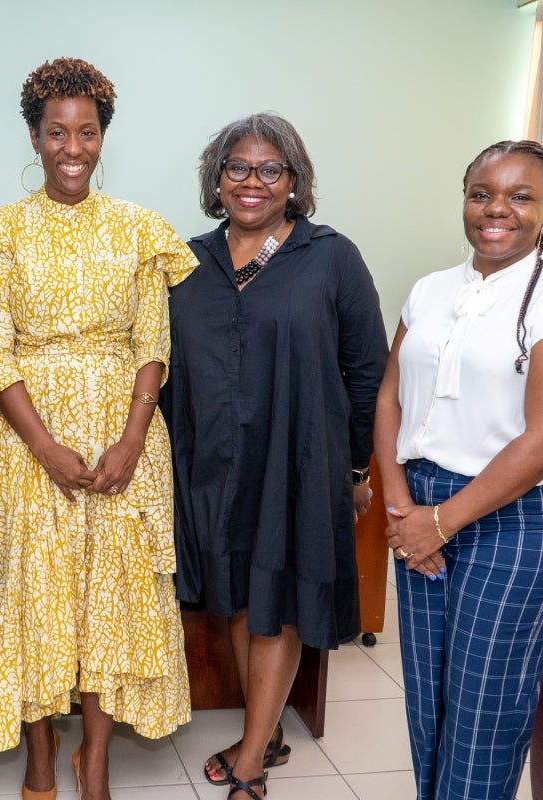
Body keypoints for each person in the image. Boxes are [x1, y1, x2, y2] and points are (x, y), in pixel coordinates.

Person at [0, 57, 195, 800]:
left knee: (107, 599)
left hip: (128, 438)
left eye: (86, 131)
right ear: (34, 135)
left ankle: (97, 761)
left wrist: (129, 440)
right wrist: (46, 445)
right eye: (57, 132)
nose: (72, 147)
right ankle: (38, 758)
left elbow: (153, 342)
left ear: (102, 137)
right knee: (34, 594)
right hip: (29, 444)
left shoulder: (141, 229)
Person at [162, 113, 388, 800]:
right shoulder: (187, 262)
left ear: (294, 181)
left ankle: (254, 759)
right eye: (237, 167)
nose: (252, 182)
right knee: (234, 601)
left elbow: (368, 370)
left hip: (298, 463)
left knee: (278, 604)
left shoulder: (331, 256)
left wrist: (354, 471)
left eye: (270, 170)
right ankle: (269, 730)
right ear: (216, 178)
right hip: (211, 470)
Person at [374, 140, 543, 800]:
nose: (495, 209)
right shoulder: (430, 290)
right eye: (481, 194)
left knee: (486, 714)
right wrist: (403, 513)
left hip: (515, 521)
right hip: (419, 507)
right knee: (431, 703)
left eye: (519, 196)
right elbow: (389, 396)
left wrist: (441, 521)